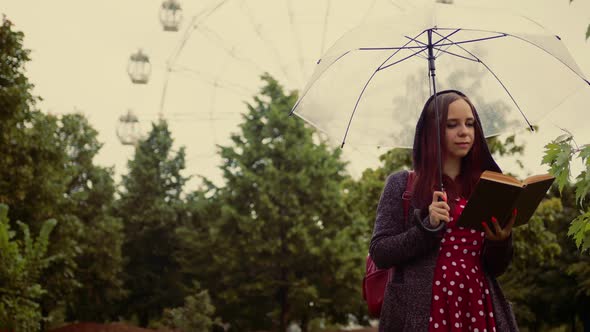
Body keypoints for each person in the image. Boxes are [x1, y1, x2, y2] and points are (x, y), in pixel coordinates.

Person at [369, 90, 519, 331]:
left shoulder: (485, 186)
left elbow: (495, 268)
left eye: (470, 124)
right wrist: (426, 229)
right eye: (452, 124)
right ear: (432, 131)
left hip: (478, 303)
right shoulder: (402, 185)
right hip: (427, 308)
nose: (464, 132)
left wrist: (499, 242)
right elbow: (380, 252)